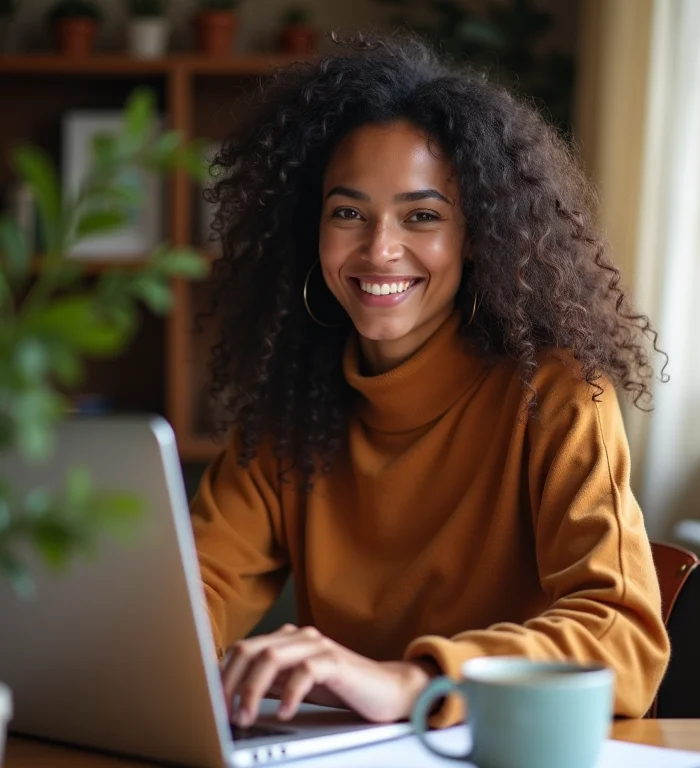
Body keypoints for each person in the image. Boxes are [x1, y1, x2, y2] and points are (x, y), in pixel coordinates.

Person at [191, 32, 671, 731]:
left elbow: (623, 637)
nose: (380, 249)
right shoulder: (287, 411)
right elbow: (193, 595)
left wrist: (414, 681)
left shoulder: (558, 394)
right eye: (348, 213)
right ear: (311, 231)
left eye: (422, 216)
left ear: (475, 236)